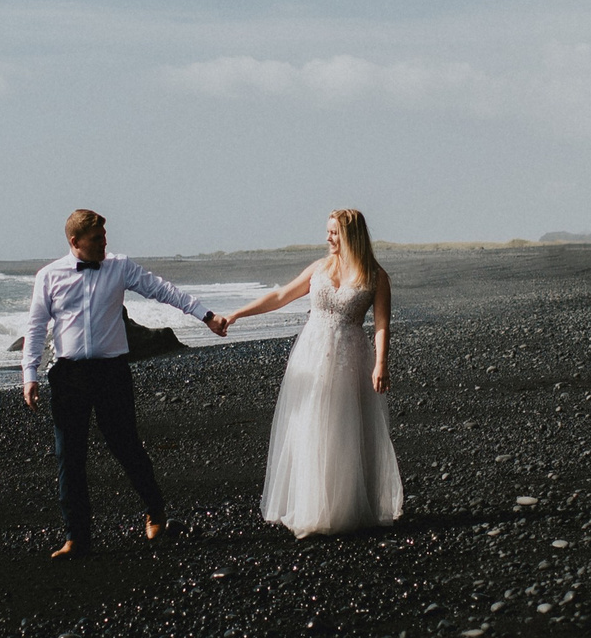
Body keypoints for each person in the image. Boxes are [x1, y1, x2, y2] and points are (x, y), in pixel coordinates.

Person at [22, 208, 231, 559]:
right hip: (68, 375)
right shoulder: (48, 276)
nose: (104, 243)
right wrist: (29, 374)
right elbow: (36, 325)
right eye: (96, 239)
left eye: (105, 237)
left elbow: (161, 289)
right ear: (74, 242)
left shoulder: (119, 266)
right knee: (68, 459)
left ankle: (155, 509)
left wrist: (206, 316)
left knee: (126, 447)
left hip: (111, 372)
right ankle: (76, 538)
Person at [222, 208, 403, 537]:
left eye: (334, 232)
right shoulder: (319, 269)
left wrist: (381, 363)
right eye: (328, 231)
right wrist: (236, 314)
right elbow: (280, 296)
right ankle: (311, 506)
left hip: (350, 358)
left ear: (351, 236)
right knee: (310, 426)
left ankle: (345, 507)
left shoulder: (376, 276)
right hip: (311, 357)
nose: (328, 238)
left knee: (345, 428)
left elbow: (381, 324)